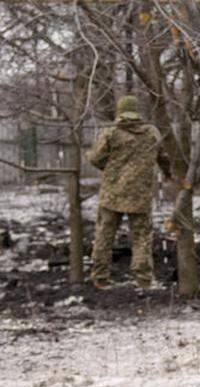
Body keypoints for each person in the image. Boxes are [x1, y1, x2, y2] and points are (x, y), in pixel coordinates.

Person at [86, 95, 171, 290]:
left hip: (112, 194)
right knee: (141, 238)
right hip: (140, 195)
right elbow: (164, 157)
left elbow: (95, 159)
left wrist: (108, 167)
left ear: (119, 111)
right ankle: (143, 280)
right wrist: (167, 174)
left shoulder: (111, 133)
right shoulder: (151, 133)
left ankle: (100, 277)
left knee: (104, 236)